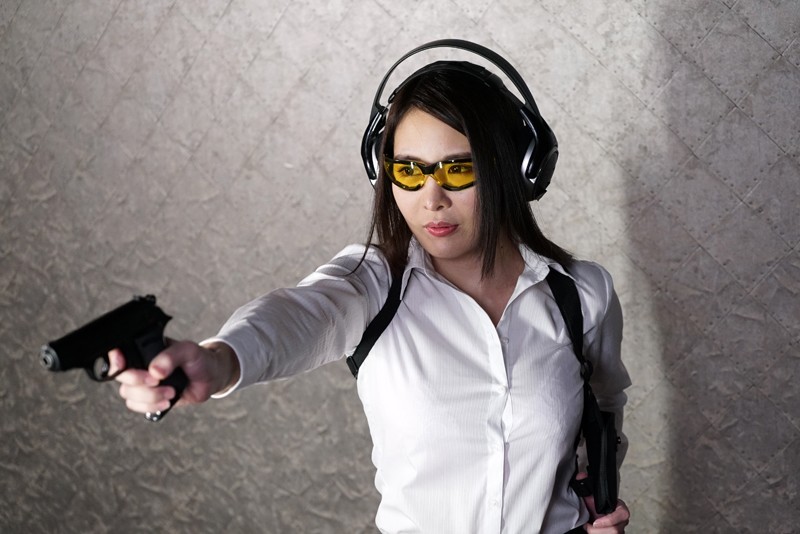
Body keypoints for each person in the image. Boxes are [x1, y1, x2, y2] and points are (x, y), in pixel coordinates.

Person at [110, 40, 632, 534]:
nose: (431, 198)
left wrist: (597, 501)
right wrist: (222, 359)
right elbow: (299, 315)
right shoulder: (373, 285)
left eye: (458, 169)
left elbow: (603, 410)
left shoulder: (582, 295)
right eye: (409, 171)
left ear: (515, 168)